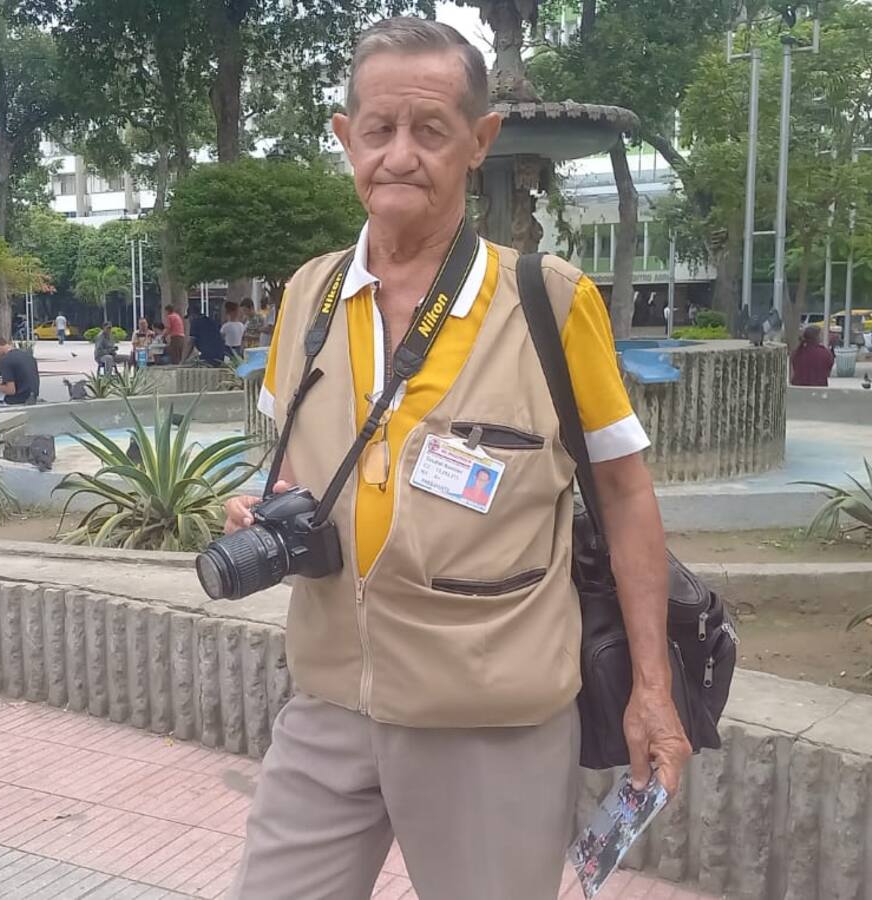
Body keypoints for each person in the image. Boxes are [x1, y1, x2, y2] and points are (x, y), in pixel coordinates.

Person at [223, 18, 688, 900]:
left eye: (430, 130)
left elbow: (627, 496)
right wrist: (261, 502)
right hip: (331, 703)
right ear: (346, 137)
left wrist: (652, 690)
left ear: (480, 141)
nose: (400, 155)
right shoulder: (308, 295)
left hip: (492, 722)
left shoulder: (549, 301)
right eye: (379, 129)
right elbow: (292, 464)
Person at [0, 336, 39, 406]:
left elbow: (11, 390)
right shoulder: (28, 356)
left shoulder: (6, 360)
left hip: (18, 399)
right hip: (31, 396)